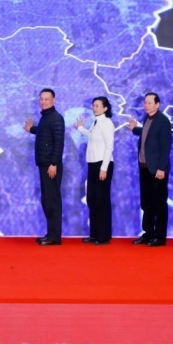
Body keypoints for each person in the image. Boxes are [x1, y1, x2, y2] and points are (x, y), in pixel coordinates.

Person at [128, 92, 172, 247]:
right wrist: (135, 129)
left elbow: (165, 146)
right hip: (144, 168)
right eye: (145, 102)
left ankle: (159, 237)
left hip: (157, 170)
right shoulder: (147, 118)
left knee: (159, 204)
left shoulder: (163, 121)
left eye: (149, 103)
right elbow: (148, 135)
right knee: (146, 203)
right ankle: (148, 233)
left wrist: (161, 168)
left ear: (157, 104)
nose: (146, 105)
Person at [24, 88, 65, 245]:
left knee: (52, 201)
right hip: (45, 164)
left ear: (54, 100)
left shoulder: (56, 118)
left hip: (51, 166)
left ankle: (54, 237)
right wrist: (31, 129)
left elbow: (59, 143)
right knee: (48, 200)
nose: (43, 101)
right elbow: (44, 133)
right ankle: (51, 234)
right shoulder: (46, 117)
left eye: (46, 99)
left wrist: (53, 163)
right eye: (41, 99)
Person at [74, 96, 115, 245]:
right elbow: (92, 136)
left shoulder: (107, 123)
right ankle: (94, 234)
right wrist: (80, 129)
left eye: (97, 106)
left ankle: (103, 236)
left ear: (105, 108)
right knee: (92, 199)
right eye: (93, 105)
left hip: (102, 164)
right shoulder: (96, 122)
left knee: (101, 200)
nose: (94, 108)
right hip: (92, 164)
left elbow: (109, 146)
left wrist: (104, 168)